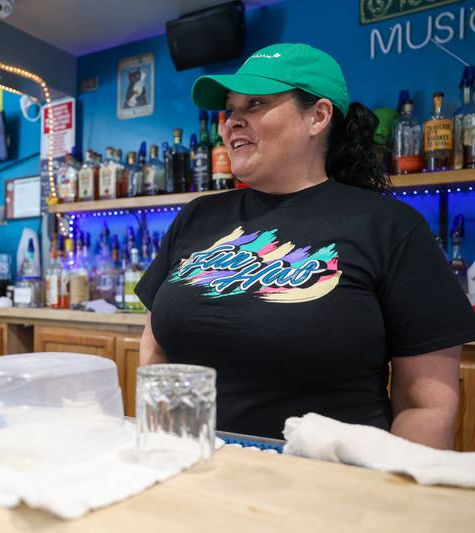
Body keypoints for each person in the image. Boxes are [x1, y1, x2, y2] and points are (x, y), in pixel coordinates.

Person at [135, 43, 475, 449]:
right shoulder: (197, 216)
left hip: (328, 488)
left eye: (255, 104)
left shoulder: (390, 228)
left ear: (318, 116)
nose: (231, 124)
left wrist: (387, 499)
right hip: (193, 472)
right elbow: (154, 351)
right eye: (231, 109)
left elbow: (426, 405)